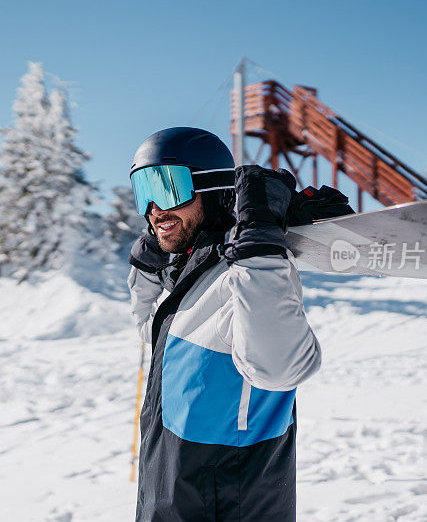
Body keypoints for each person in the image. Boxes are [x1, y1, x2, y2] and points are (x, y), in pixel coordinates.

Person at [127, 127, 321, 521]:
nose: (154, 209)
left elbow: (282, 369)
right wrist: (148, 272)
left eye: (167, 189)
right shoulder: (188, 284)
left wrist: (263, 254)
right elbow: (150, 332)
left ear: (214, 191)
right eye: (143, 191)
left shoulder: (245, 281)